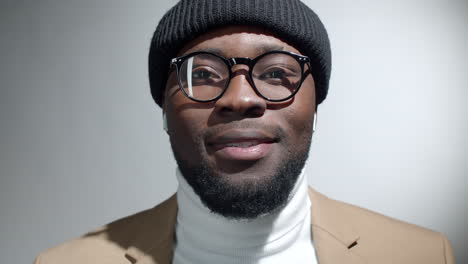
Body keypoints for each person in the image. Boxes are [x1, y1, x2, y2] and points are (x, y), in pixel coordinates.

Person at [34, 0, 455, 263]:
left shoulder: (421, 255)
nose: (239, 98)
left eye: (276, 73)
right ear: (163, 108)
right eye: (202, 73)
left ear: (315, 106)